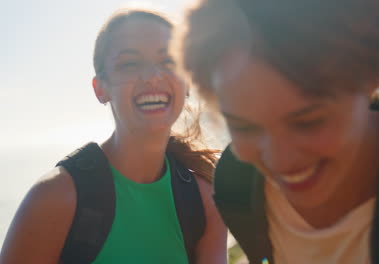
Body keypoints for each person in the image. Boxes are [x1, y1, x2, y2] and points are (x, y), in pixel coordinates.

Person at [175, 0, 379, 263]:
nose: (279, 162)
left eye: (308, 121)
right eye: (243, 126)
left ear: (370, 77)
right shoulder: (241, 188)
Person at [0, 8, 227, 264]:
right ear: (100, 89)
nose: (153, 77)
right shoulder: (54, 199)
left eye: (169, 62)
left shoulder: (204, 200)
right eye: (130, 64)